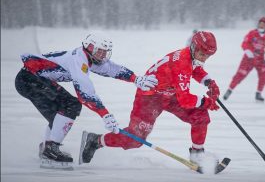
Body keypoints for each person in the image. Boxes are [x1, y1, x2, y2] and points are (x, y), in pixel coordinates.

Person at [80, 31, 221, 166]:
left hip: (169, 95)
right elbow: (185, 99)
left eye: (208, 56)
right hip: (149, 98)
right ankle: (96, 141)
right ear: (194, 46)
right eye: (202, 54)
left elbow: (195, 69)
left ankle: (197, 155)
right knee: (135, 140)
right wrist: (206, 102)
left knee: (200, 116)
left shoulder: (189, 56)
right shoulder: (182, 63)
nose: (204, 58)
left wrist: (210, 83)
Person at [15, 34, 158, 165]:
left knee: (60, 115)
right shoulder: (79, 60)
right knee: (71, 105)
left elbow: (112, 69)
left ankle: (48, 148)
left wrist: (136, 79)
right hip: (29, 80)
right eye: (100, 51)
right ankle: (50, 149)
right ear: (90, 47)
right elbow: (85, 93)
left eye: (105, 52)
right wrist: (105, 115)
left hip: (32, 79)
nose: (103, 55)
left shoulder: (89, 57)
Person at [223, 17, 265, 102]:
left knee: (264, 76)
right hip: (248, 59)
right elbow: (244, 43)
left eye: (263, 24)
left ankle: (258, 93)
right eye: (260, 24)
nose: (261, 26)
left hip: (260, 59)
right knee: (239, 75)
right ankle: (229, 90)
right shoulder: (252, 33)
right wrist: (247, 51)